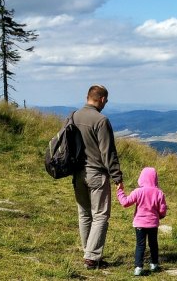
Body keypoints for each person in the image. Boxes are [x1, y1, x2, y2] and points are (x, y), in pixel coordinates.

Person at [72, 84, 124, 269]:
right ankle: (92, 257)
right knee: (100, 214)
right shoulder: (101, 120)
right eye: (106, 100)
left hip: (78, 173)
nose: (106, 104)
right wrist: (117, 176)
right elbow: (108, 152)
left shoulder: (74, 116)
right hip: (97, 174)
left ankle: (88, 252)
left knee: (84, 214)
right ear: (101, 99)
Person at [117, 167, 168, 276]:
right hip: (153, 224)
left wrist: (120, 191)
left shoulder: (138, 191)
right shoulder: (159, 193)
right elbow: (162, 209)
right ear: (155, 179)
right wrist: (161, 215)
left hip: (140, 224)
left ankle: (138, 267)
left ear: (141, 178)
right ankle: (154, 264)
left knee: (140, 245)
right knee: (153, 244)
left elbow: (125, 203)